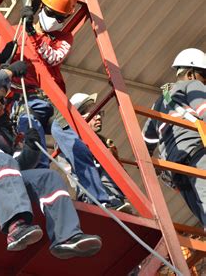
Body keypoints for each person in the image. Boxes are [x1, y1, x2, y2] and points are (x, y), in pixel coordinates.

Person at [0, 65, 103, 259]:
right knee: (1, 160)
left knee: (49, 176)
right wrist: (7, 74)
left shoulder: (3, 131)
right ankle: (16, 227)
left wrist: (31, 148)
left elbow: (16, 167)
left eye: (2, 99)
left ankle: (67, 236)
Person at [0, 0, 113, 206]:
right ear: (41, 7)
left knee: (74, 143)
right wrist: (1, 59)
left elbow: (52, 57)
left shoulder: (63, 38)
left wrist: (32, 31)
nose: (55, 20)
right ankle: (42, 189)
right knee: (34, 135)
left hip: (52, 101)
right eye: (51, 14)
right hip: (24, 100)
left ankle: (99, 197)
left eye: (61, 18)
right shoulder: (13, 32)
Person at [142, 48, 206, 227]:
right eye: (204, 76)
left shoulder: (158, 104)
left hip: (176, 171)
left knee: (202, 212)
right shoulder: (192, 86)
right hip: (198, 157)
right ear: (192, 74)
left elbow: (145, 143)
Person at [68, 93, 131, 211]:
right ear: (80, 118)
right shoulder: (70, 143)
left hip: (116, 198)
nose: (98, 117)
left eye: (99, 113)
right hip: (93, 198)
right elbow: (74, 175)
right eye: (93, 114)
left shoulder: (105, 143)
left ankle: (114, 203)